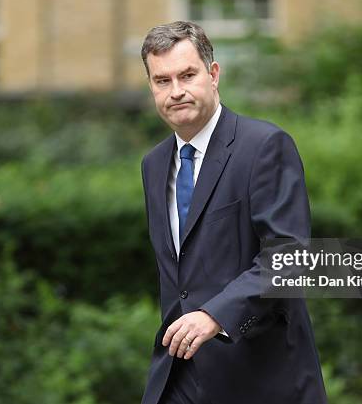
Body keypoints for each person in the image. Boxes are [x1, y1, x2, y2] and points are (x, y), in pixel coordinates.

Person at [139, 21, 327, 404]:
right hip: (179, 379)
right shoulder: (153, 164)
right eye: (162, 81)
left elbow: (289, 257)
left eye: (187, 75)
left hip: (259, 380)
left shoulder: (264, 146)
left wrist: (215, 315)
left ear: (213, 74)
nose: (176, 92)